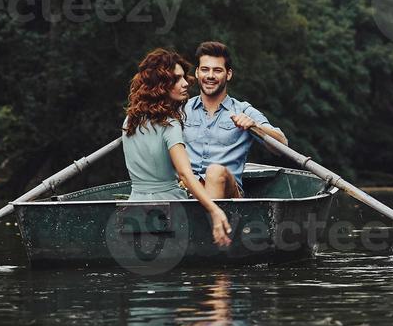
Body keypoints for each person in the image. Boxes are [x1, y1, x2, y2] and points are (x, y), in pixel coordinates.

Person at [122, 48, 233, 248]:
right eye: (177, 79)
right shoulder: (170, 124)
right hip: (169, 208)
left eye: (184, 77)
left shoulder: (130, 120)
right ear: (161, 85)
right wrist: (215, 210)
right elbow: (185, 174)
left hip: (134, 208)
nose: (185, 83)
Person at [182, 41, 289, 198]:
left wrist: (255, 126)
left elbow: (282, 145)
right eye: (205, 69)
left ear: (229, 74)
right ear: (197, 72)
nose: (210, 76)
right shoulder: (181, 109)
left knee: (215, 172)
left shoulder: (243, 110)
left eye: (217, 70)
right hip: (186, 192)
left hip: (228, 197)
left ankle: (214, 220)